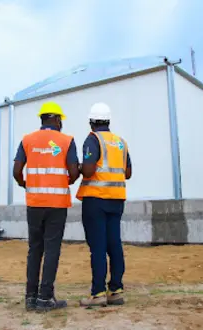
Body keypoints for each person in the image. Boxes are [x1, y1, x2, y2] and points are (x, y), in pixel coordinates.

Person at [13, 101, 80, 312]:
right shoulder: (67, 141)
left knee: (35, 249)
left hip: (34, 203)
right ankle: (45, 299)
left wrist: (25, 184)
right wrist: (65, 181)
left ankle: (30, 297)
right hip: (57, 205)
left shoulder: (27, 140)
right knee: (52, 250)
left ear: (42, 119)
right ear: (57, 119)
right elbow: (74, 172)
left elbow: (16, 171)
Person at [76, 102, 132, 307]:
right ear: (108, 121)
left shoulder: (92, 140)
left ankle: (98, 293)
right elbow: (128, 173)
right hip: (116, 200)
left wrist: (79, 167)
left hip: (96, 199)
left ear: (91, 122)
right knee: (114, 244)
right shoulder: (120, 142)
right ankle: (116, 290)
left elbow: (89, 171)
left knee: (98, 247)